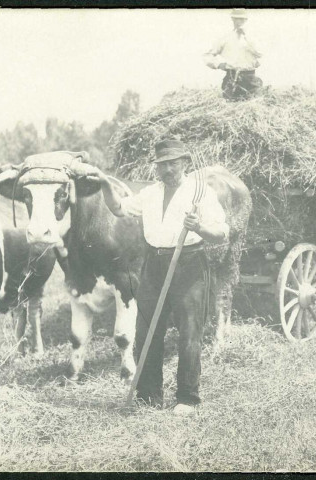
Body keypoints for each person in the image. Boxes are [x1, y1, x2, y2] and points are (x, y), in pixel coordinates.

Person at [75, 139, 229, 416]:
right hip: (154, 264)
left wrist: (200, 226)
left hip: (189, 263)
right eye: (162, 165)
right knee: (146, 332)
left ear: (185, 163)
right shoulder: (150, 193)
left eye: (172, 163)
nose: (167, 170)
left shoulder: (199, 194)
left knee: (189, 332)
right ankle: (149, 395)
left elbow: (221, 233)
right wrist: (104, 183)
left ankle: (187, 398)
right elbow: (119, 208)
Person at [204, 8, 263, 100]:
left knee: (254, 107)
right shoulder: (225, 38)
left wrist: (246, 37)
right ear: (232, 19)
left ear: (246, 20)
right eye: (236, 18)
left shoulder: (253, 38)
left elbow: (260, 53)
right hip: (231, 77)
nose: (239, 21)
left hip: (250, 78)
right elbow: (207, 55)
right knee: (230, 109)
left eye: (242, 19)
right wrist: (218, 64)